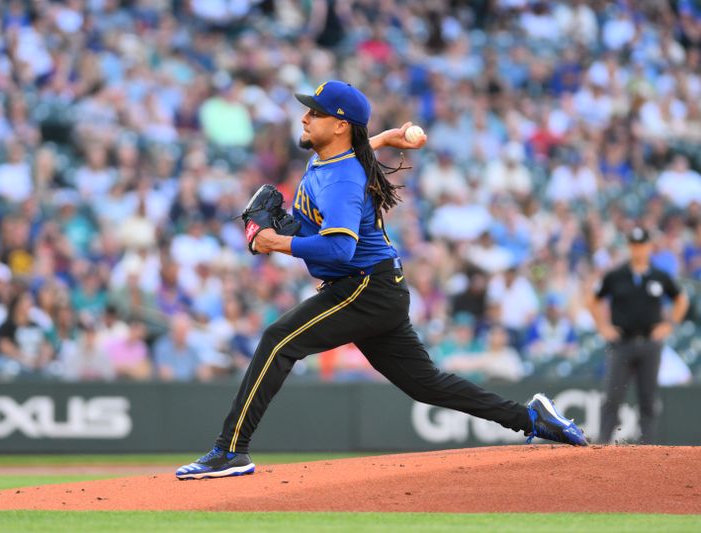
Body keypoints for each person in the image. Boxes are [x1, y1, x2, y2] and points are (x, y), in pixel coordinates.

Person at [176, 80, 587, 481]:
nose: (304, 117)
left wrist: (275, 241)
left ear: (339, 125)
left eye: (314, 112)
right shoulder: (330, 159)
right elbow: (357, 152)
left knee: (278, 340)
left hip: (365, 287)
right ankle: (532, 418)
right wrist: (388, 135)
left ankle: (230, 450)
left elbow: (339, 249)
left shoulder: (341, 181)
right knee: (427, 385)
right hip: (376, 287)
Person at [589, 226, 689, 444]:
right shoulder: (616, 276)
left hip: (650, 343)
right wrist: (603, 326)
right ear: (629, 247)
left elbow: (681, 300)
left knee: (648, 398)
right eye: (634, 245)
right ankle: (602, 445)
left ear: (649, 246)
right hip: (622, 342)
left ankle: (649, 447)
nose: (638, 250)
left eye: (641, 245)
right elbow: (594, 299)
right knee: (612, 396)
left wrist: (670, 324)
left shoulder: (660, 276)